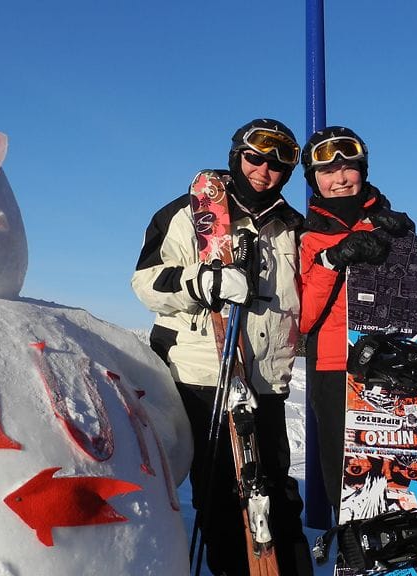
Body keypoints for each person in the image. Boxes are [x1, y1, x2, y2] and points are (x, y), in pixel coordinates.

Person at [298, 126, 417, 576]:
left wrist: (405, 252)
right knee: (354, 490)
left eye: (347, 166)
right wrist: (332, 261)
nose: (339, 177)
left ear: (362, 170)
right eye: (326, 170)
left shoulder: (392, 225)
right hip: (337, 371)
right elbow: (302, 318)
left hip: (398, 369)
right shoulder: (306, 237)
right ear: (314, 178)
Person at [132, 118, 313, 576]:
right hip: (203, 377)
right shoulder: (187, 212)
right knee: (221, 497)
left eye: (278, 163)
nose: (264, 170)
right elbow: (147, 282)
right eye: (255, 157)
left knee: (275, 493)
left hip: (265, 382)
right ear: (237, 156)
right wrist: (202, 280)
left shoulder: (292, 227)